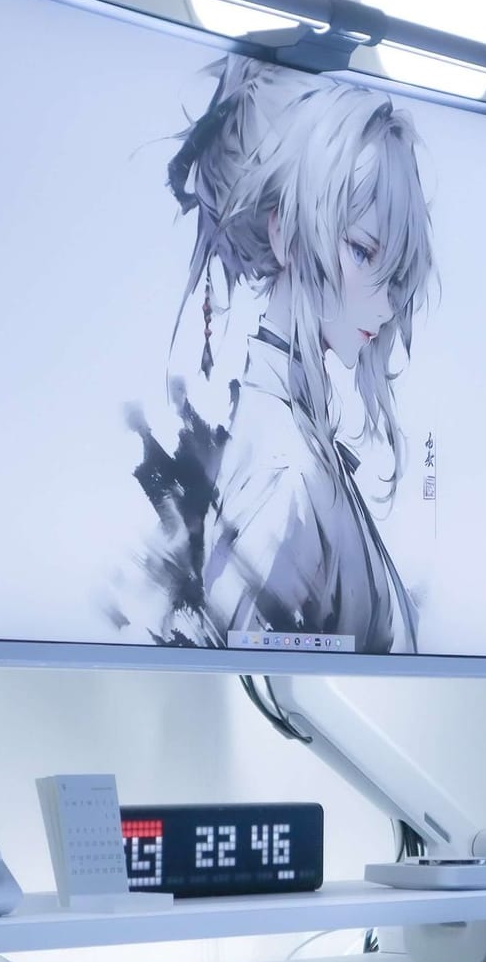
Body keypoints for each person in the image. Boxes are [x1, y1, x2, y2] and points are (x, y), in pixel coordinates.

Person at [113, 57, 436, 654]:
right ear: (287, 231)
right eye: (364, 252)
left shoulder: (294, 444)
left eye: (395, 276)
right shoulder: (286, 469)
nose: (385, 304)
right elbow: (249, 701)